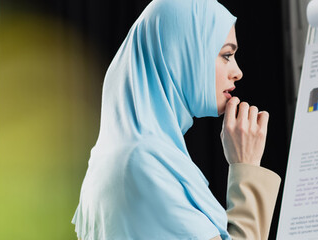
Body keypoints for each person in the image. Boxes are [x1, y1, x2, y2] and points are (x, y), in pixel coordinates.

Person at [71, 0, 281, 239]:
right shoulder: (143, 163)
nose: (238, 71)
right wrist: (246, 167)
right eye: (226, 55)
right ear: (181, 54)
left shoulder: (117, 157)